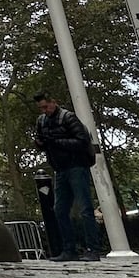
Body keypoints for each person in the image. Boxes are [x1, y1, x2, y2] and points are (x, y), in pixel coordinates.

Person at [35, 91, 102, 261]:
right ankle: (68, 249)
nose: (44, 110)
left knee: (85, 208)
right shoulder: (42, 121)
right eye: (41, 108)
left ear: (53, 102)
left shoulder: (68, 117)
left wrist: (56, 141)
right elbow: (41, 143)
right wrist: (41, 142)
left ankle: (93, 249)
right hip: (60, 169)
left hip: (76, 166)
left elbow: (82, 141)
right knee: (60, 210)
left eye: (46, 106)